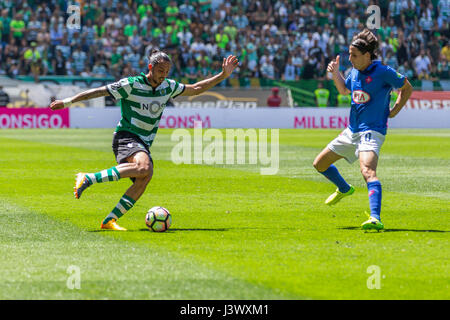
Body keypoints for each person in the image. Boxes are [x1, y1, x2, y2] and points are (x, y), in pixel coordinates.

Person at [49, 50, 239, 231]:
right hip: (126, 136)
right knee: (145, 168)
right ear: (150, 67)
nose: (163, 75)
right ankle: (88, 178)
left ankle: (110, 220)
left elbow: (196, 88)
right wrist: (67, 102)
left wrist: (223, 75)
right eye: (160, 71)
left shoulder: (168, 87)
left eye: (166, 71)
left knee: (144, 178)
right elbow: (99, 92)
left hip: (143, 142)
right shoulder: (131, 84)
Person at [312, 29, 413, 231]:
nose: (350, 58)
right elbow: (344, 90)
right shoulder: (355, 71)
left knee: (367, 171)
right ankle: (344, 188)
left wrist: (395, 110)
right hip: (352, 131)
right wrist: (335, 74)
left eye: (354, 55)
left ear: (367, 55)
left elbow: (406, 87)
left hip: (372, 131)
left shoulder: (383, 71)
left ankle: (375, 218)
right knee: (319, 164)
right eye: (349, 54)